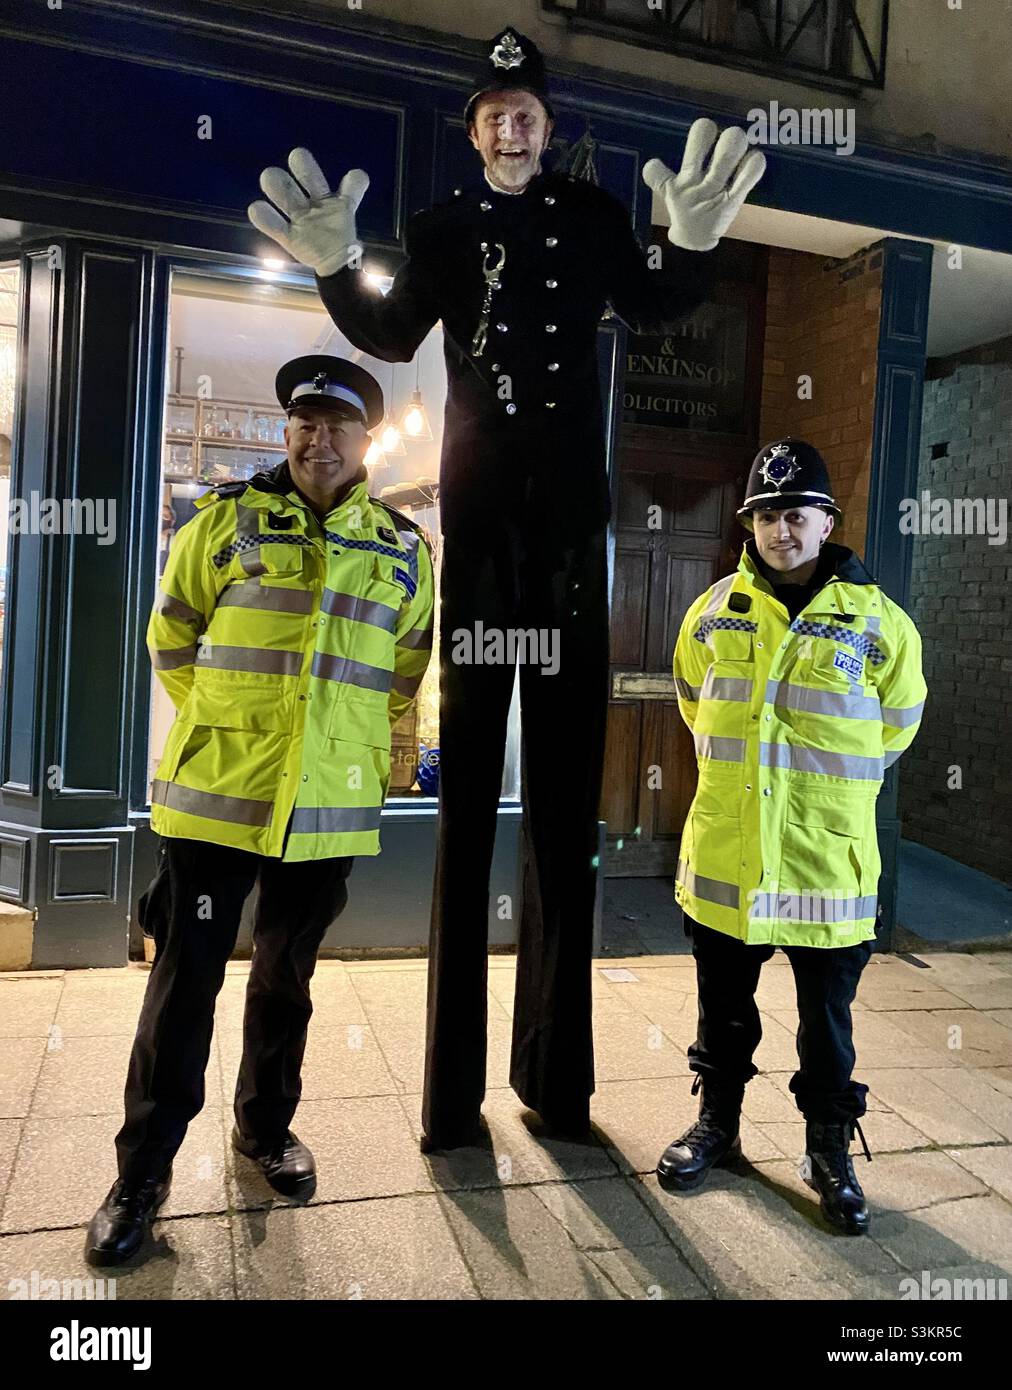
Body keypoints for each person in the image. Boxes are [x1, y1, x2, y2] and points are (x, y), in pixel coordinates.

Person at [248, 27, 766, 1152]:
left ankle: (559, 1084)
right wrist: (337, 264)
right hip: (480, 538)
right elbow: (387, 331)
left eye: (527, 108)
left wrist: (689, 246)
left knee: (566, 807)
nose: (511, 124)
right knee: (470, 797)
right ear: (474, 127)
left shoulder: (588, 217)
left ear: (544, 123)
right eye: (494, 111)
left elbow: (659, 301)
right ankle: (448, 1099)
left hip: (572, 538)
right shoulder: (437, 230)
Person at [85, 356, 434, 1265]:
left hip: (327, 807)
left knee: (287, 979)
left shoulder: (403, 551)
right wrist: (230, 728)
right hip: (217, 799)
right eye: (303, 421)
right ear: (288, 432)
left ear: (370, 439)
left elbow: (402, 674)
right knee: (183, 986)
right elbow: (171, 637)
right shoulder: (222, 523)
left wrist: (341, 748)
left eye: (338, 423)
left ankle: (264, 1131)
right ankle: (142, 1176)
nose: (319, 437)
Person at [657, 438, 926, 1235]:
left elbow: (897, 726)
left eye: (797, 514)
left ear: (827, 521)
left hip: (827, 867)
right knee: (724, 1014)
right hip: (730, 863)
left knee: (828, 1029)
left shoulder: (880, 625)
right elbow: (692, 704)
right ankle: (721, 1129)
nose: (783, 530)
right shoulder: (712, 614)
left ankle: (829, 1152)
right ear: (751, 526)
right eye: (768, 515)